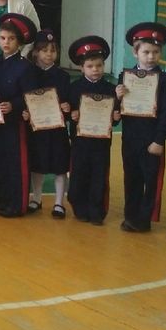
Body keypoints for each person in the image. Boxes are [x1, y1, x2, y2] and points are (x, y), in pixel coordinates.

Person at [115, 23, 166, 233]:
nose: (151, 57)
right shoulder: (125, 77)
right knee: (131, 177)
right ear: (136, 52)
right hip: (130, 137)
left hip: (152, 139)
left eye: (156, 52)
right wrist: (118, 97)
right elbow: (117, 110)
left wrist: (159, 139)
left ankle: (144, 219)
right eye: (146, 52)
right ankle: (130, 216)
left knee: (150, 180)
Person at [66, 36, 120, 226]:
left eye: (99, 65)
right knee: (79, 175)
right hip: (80, 141)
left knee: (99, 176)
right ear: (81, 68)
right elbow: (67, 111)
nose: (95, 69)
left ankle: (97, 211)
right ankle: (79, 208)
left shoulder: (111, 89)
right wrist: (71, 114)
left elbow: (115, 116)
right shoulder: (74, 88)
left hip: (101, 142)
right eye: (90, 66)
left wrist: (116, 117)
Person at [0, 13, 38, 218]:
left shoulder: (25, 67)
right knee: (2, 159)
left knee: (17, 162)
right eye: (2, 38)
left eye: (11, 39)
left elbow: (30, 95)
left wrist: (14, 105)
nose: (6, 42)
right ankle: (3, 197)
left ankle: (18, 204)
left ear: (19, 42)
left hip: (17, 122)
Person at [26, 30, 71, 219]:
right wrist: (26, 111)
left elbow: (69, 100)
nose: (49, 54)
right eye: (44, 50)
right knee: (37, 164)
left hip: (57, 128)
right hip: (37, 129)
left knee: (60, 165)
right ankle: (36, 198)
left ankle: (59, 202)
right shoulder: (29, 73)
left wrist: (67, 107)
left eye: (53, 50)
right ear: (36, 52)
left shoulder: (63, 76)